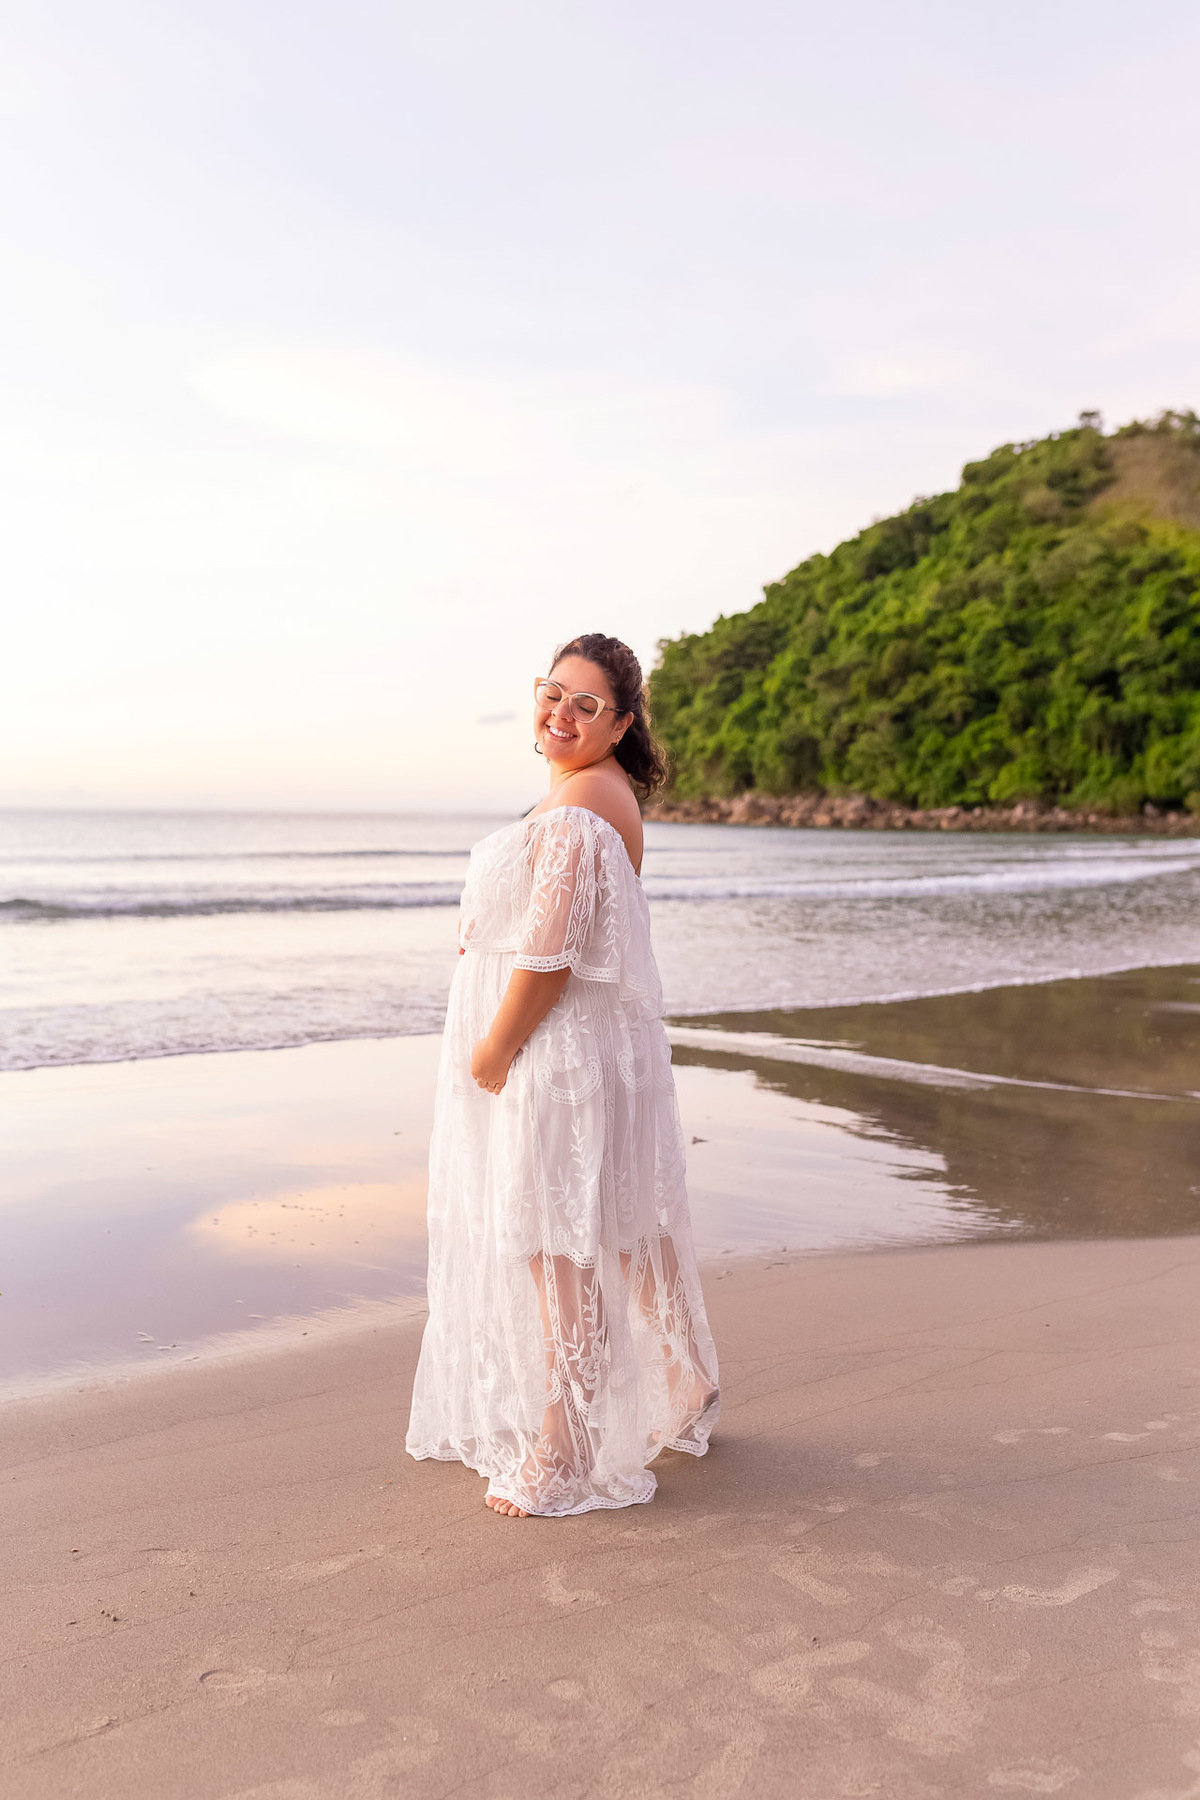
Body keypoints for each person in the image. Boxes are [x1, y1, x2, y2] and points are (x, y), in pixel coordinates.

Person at [405, 632, 719, 1517]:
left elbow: (550, 957)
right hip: (589, 1046)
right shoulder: (589, 794)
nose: (561, 713)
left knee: (556, 1244)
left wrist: (494, 1048)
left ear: (621, 724)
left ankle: (566, 1447)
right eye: (553, 693)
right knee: (617, 1221)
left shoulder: (582, 804)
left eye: (587, 704)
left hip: (556, 1047)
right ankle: (687, 1378)